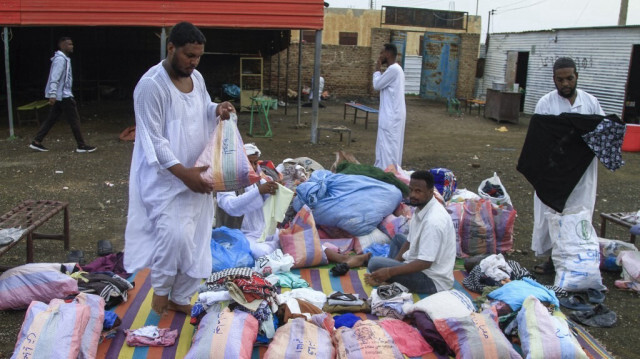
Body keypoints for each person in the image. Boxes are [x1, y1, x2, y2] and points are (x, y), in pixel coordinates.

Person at [124, 22, 236, 315]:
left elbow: (200, 107)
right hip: (166, 180)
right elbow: (153, 139)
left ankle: (181, 296)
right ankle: (161, 291)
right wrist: (183, 174)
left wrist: (217, 109)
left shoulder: (196, 78)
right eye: (188, 55)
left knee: (197, 239)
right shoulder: (151, 86)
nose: (194, 62)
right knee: (173, 236)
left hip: (197, 173)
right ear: (171, 48)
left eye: (198, 56)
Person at [531, 57, 605, 275]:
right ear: (554, 79)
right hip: (555, 171)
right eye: (560, 79)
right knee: (552, 214)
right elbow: (540, 138)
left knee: (578, 214)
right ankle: (553, 260)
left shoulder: (591, 102)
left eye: (569, 78)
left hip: (582, 173)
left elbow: (601, 133)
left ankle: (575, 260)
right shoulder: (546, 103)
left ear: (576, 77)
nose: (565, 84)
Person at [364, 170, 456, 294]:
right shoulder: (422, 208)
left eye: (418, 191)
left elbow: (425, 263)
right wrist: (393, 266)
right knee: (398, 239)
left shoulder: (433, 221)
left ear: (430, 192)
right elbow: (409, 241)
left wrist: (389, 271)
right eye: (411, 190)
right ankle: (389, 278)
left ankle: (388, 279)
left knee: (374, 263)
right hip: (421, 265)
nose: (412, 195)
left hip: (431, 280)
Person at [29, 37, 96, 153]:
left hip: (61, 95)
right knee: (74, 120)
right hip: (64, 96)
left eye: (72, 44)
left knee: (51, 119)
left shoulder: (64, 59)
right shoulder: (60, 60)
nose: (72, 46)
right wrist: (53, 94)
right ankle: (81, 145)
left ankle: (36, 141)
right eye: (69, 44)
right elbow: (55, 77)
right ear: (62, 46)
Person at [216, 143, 283, 259]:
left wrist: (276, 193)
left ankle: (275, 249)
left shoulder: (259, 181)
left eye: (255, 163)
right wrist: (258, 192)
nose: (252, 166)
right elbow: (231, 206)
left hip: (262, 231)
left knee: (290, 238)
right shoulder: (227, 183)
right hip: (241, 235)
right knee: (259, 253)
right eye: (248, 163)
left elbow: (269, 204)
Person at [372, 43, 406, 170]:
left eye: (381, 53)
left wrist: (377, 69)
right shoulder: (396, 70)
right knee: (387, 144)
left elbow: (377, 85)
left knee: (388, 146)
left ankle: (387, 171)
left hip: (391, 115)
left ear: (388, 54)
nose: (380, 56)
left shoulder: (394, 70)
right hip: (392, 113)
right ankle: (385, 169)